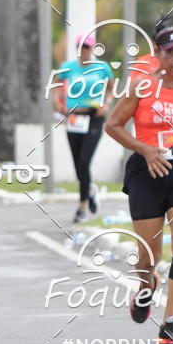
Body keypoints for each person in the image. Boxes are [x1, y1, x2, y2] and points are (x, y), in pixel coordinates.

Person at [105, 25, 173, 344]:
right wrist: (145, 149)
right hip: (147, 174)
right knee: (148, 257)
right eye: (171, 52)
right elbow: (113, 125)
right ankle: (147, 286)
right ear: (158, 55)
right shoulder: (141, 86)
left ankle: (171, 322)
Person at [52, 33, 113, 224]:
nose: (83, 51)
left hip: (94, 116)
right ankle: (90, 189)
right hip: (74, 116)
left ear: (92, 49)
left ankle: (82, 207)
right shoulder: (68, 67)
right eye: (80, 47)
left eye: (87, 47)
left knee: (85, 160)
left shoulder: (102, 68)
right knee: (78, 162)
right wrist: (57, 101)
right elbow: (55, 83)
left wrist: (107, 103)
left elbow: (111, 88)